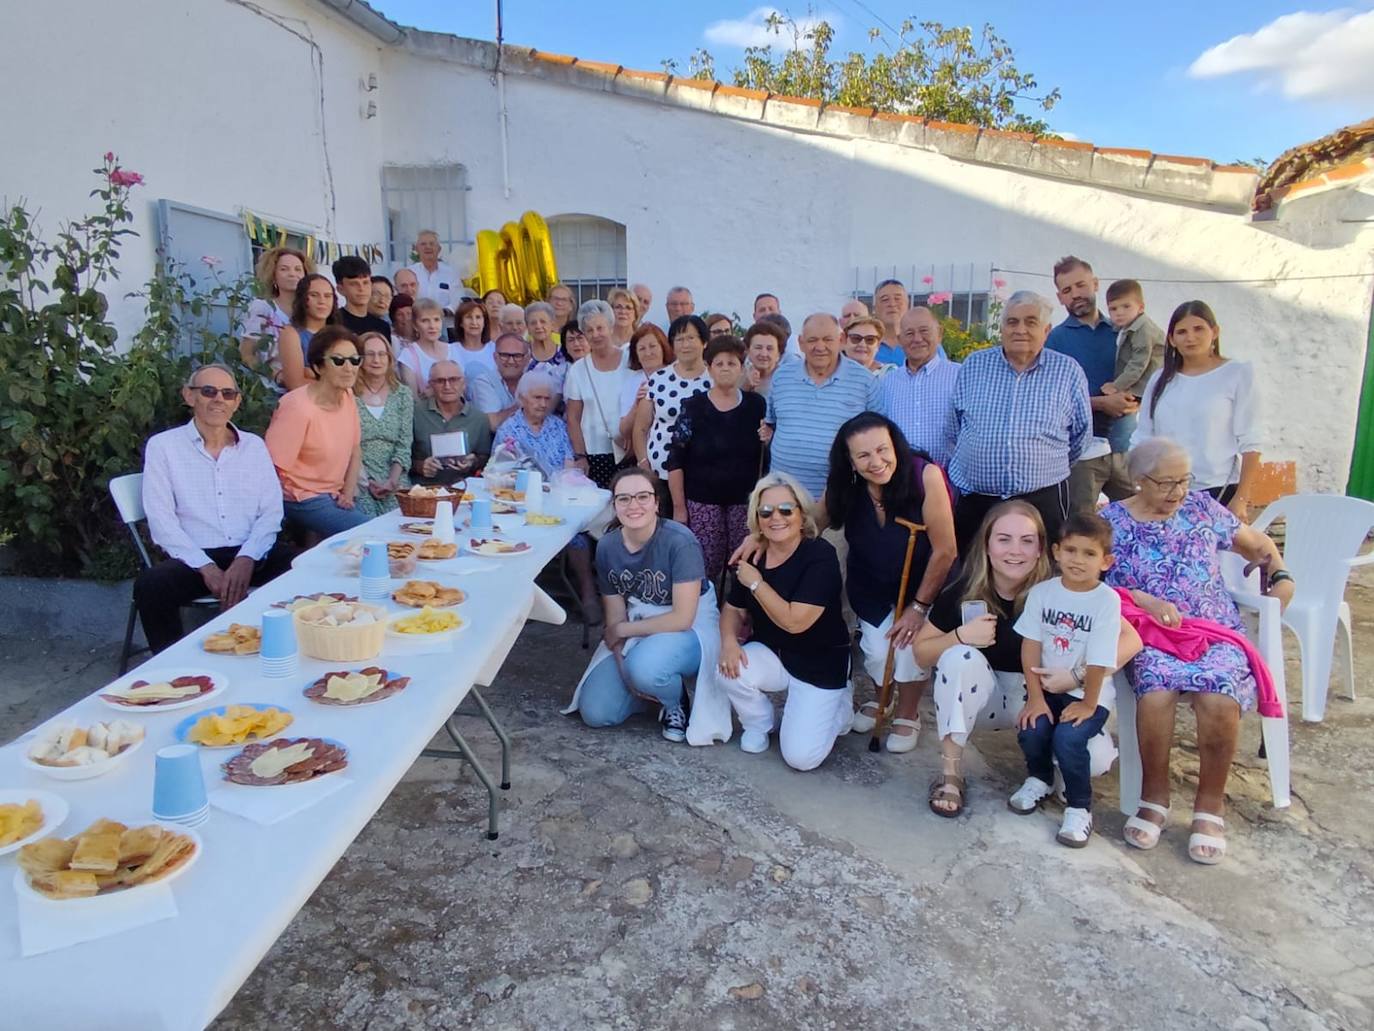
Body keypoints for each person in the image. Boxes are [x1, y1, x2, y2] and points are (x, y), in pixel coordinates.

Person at [1103, 438, 1291, 863]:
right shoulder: (1112, 522)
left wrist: (1282, 576)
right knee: (1156, 693)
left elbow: (1260, 547)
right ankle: (1154, 797)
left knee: (1220, 696)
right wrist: (1142, 600)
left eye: (1185, 481)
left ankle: (1209, 806)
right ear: (1137, 480)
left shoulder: (1204, 509)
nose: (1178, 493)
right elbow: (1095, 584)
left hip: (1215, 631)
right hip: (1151, 633)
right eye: (1166, 483)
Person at [914, 501, 1135, 817]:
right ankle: (950, 773)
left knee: (1095, 759)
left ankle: (1049, 772)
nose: (1014, 550)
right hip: (984, 696)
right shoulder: (965, 589)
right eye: (1004, 539)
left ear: (1043, 549)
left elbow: (1132, 640)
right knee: (959, 658)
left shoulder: (1063, 586)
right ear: (987, 545)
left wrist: (1078, 675)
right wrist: (960, 636)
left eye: (1027, 541)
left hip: (1043, 695)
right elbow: (921, 654)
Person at [135, 363, 295, 653]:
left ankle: (285, 652)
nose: (218, 399)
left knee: (302, 567)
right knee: (151, 585)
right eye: (208, 391)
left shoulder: (254, 446)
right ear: (189, 396)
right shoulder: (164, 447)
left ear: (237, 402)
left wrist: (247, 558)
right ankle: (173, 672)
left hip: (250, 552)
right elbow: (161, 521)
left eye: (227, 393)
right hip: (194, 559)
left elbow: (271, 512)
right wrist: (206, 567)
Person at [824, 413, 957, 752]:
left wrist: (918, 608)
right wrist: (763, 535)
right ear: (850, 461)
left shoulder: (924, 475)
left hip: (922, 587)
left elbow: (945, 551)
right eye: (863, 455)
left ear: (895, 446)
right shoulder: (847, 485)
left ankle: (909, 712)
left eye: (882, 450)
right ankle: (881, 699)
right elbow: (810, 519)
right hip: (869, 584)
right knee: (876, 648)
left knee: (910, 650)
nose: (876, 461)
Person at [565, 468, 720, 744]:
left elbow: (683, 617)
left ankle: (675, 702)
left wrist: (624, 632)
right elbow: (614, 617)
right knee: (596, 712)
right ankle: (649, 693)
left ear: (657, 502)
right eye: (624, 499)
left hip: (689, 624)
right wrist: (623, 669)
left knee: (645, 668)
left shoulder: (680, 541)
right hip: (638, 620)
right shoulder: (607, 547)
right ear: (614, 506)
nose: (633, 505)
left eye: (643, 497)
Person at [717, 474, 852, 767]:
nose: (775, 517)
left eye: (786, 510)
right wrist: (728, 641)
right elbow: (732, 609)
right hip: (774, 653)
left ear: (802, 514)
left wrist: (756, 584)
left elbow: (795, 622)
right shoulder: (754, 554)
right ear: (757, 517)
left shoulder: (820, 555)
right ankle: (760, 723)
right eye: (765, 511)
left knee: (801, 758)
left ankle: (840, 705)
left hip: (820, 661)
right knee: (728, 668)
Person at [947, 290, 1091, 554]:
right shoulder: (974, 365)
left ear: (1046, 330)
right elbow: (955, 425)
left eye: (1030, 322)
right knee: (974, 574)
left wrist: (1041, 464)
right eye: (1012, 322)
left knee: (1040, 573)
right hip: (979, 500)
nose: (1020, 329)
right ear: (1001, 328)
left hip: (1042, 499)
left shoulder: (1068, 371)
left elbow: (1081, 435)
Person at [1010, 512, 1123, 847]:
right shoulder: (1042, 593)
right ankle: (1040, 779)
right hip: (1045, 688)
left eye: (1090, 554)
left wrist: (1089, 704)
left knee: (1069, 740)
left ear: (1106, 561)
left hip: (1090, 694)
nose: (1078, 560)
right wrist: (1034, 697)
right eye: (1071, 550)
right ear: (1056, 552)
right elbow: (1030, 646)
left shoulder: (1106, 601)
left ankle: (1078, 808)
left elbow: (1101, 659)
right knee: (1032, 728)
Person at [1132, 301, 1261, 519]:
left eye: (1198, 329)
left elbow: (1251, 440)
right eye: (1181, 332)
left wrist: (1240, 498)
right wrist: (1140, 487)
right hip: (1165, 493)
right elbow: (1143, 436)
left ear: (1215, 332)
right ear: (1172, 339)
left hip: (1217, 489)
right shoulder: (1160, 380)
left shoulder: (1237, 374)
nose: (1190, 337)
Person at [494, 369, 601, 621]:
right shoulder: (508, 430)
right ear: (522, 399)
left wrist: (566, 478)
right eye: (536, 398)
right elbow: (499, 473)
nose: (543, 404)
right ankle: (517, 602)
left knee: (578, 540)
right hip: (520, 506)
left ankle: (588, 594)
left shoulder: (557, 426)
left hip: (558, 501)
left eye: (546, 398)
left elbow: (568, 464)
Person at [666, 335, 766, 583]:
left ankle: (740, 613)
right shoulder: (693, 406)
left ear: (741, 368)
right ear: (709, 368)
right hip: (702, 502)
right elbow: (676, 460)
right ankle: (703, 615)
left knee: (744, 563)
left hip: (744, 503)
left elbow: (766, 453)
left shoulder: (756, 405)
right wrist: (680, 509)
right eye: (719, 363)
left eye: (732, 363)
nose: (725, 369)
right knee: (703, 564)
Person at [1046, 256, 1136, 514]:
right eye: (1067, 290)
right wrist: (1100, 403)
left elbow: (1149, 374)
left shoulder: (1124, 332)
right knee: (1080, 526)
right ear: (1060, 297)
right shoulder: (1055, 341)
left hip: (1126, 448)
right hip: (1082, 454)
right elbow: (1050, 400)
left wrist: (1134, 400)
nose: (1075, 294)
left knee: (1137, 521)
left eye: (1080, 285)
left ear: (1095, 284)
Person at [764, 312, 881, 500]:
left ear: (841, 339)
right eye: (812, 340)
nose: (820, 347)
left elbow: (877, 438)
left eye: (828, 339)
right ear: (801, 343)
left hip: (838, 500)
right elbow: (772, 424)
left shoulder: (865, 382)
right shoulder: (781, 377)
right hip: (784, 498)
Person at [265, 327, 368, 537]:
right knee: (370, 533)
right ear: (319, 366)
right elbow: (272, 469)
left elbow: (355, 450)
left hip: (335, 494)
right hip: (300, 498)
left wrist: (347, 494)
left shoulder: (347, 396)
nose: (349, 368)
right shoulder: (298, 407)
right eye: (339, 361)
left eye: (355, 360)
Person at [879, 306, 959, 467]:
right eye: (909, 333)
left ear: (939, 334)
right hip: (901, 478)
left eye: (924, 331)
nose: (917, 339)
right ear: (900, 339)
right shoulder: (887, 382)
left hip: (948, 479)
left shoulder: (960, 375)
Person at [564, 299, 631, 488]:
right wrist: (580, 456)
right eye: (589, 330)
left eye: (600, 328)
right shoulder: (578, 370)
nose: (596, 334)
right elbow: (573, 417)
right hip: (594, 455)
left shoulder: (631, 361)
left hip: (629, 451)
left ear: (611, 327)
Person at [636, 314, 712, 476]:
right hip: (660, 471)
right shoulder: (658, 379)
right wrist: (643, 463)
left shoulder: (714, 380)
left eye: (691, 338)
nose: (685, 345)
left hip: (703, 473)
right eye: (679, 339)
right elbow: (641, 428)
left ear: (704, 342)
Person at [352, 331, 414, 518]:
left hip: (395, 476)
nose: (376, 360)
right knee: (365, 524)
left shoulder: (402, 394)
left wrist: (392, 481)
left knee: (402, 526)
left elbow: (404, 444)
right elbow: (347, 446)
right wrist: (367, 481)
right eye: (370, 354)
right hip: (358, 477)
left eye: (382, 354)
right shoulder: (349, 394)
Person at [411, 360, 493, 486]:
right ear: (430, 385)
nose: (447, 386)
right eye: (440, 381)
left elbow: (486, 458)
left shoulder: (479, 418)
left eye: (454, 379)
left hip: (464, 490)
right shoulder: (415, 414)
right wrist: (420, 466)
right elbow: (401, 455)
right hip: (424, 491)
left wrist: (473, 462)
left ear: (464, 383)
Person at [237, 246, 312, 371]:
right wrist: (272, 375)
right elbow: (246, 354)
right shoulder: (262, 307)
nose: (292, 274)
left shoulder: (312, 309)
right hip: (274, 386)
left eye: (298, 269)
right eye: (284, 269)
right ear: (273, 275)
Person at [1102, 279, 1164, 405]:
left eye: (1126, 306)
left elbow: (1138, 365)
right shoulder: (1127, 324)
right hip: (1135, 384)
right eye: (1113, 309)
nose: (1119, 313)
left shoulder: (1143, 330)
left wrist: (1116, 386)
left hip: (1145, 388)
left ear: (1141, 307)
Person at [276, 273, 337, 391]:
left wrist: (311, 374)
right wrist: (334, 385)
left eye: (328, 296)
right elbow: (295, 384)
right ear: (302, 299)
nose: (322, 301)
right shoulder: (291, 334)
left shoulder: (339, 334)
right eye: (314, 295)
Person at [617, 324, 672, 458]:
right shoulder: (632, 382)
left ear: (663, 347)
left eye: (653, 346)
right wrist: (636, 405)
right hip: (645, 456)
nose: (648, 353)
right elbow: (624, 431)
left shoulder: (676, 373)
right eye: (642, 349)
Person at [396, 298, 457, 397]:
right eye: (425, 321)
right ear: (415, 325)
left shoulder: (454, 350)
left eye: (436, 320)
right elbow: (413, 399)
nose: (432, 326)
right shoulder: (407, 356)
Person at [471, 333, 531, 429]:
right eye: (505, 355)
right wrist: (524, 404)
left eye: (517, 356)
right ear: (495, 357)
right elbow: (492, 424)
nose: (511, 361)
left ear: (527, 359)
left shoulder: (534, 381)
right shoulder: (483, 381)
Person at [332, 255, 390, 338]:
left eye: (365, 283)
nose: (361, 289)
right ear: (340, 289)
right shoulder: (334, 323)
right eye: (354, 284)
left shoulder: (382, 327)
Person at [524, 300, 567, 401]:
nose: (538, 326)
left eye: (543, 321)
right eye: (533, 323)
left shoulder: (565, 352)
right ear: (528, 328)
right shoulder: (522, 353)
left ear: (552, 324)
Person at [407, 229, 458, 314]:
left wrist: (442, 313)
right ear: (416, 249)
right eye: (423, 244)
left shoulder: (451, 273)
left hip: (444, 322)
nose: (428, 247)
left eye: (432, 244)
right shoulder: (409, 273)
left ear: (439, 249)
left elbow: (458, 300)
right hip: (416, 323)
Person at [451, 298, 496, 379]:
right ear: (461, 322)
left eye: (478, 317)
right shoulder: (450, 350)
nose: (474, 322)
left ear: (484, 322)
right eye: (469, 317)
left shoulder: (494, 349)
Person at [742, 320, 786, 397]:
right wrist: (745, 386)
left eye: (769, 349)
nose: (763, 354)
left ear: (778, 354)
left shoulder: (787, 379)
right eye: (758, 348)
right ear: (748, 351)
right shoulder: (737, 376)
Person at [872, 279, 909, 366]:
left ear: (907, 305)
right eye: (885, 300)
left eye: (897, 299)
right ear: (875, 308)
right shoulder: (865, 344)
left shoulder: (924, 342)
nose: (892, 304)